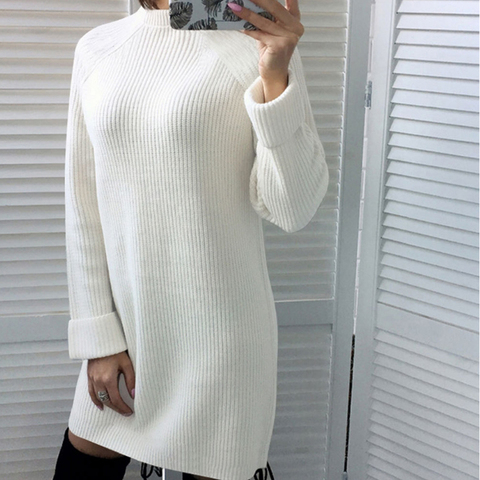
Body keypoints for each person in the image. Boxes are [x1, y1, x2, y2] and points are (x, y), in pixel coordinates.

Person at [53, 0, 329, 478]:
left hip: (222, 343)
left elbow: (293, 208)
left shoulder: (257, 45)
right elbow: (83, 205)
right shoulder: (97, 49)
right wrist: (97, 337)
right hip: (129, 335)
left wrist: (275, 77)